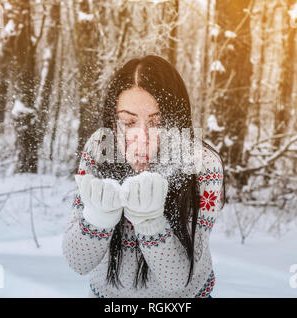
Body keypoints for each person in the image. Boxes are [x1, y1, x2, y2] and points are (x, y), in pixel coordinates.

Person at [62, 55, 225, 298]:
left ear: (176, 121)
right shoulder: (99, 149)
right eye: (128, 122)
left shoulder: (202, 165)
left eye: (157, 123)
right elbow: (78, 263)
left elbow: (178, 280)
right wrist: (97, 218)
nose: (142, 137)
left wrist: (150, 222)